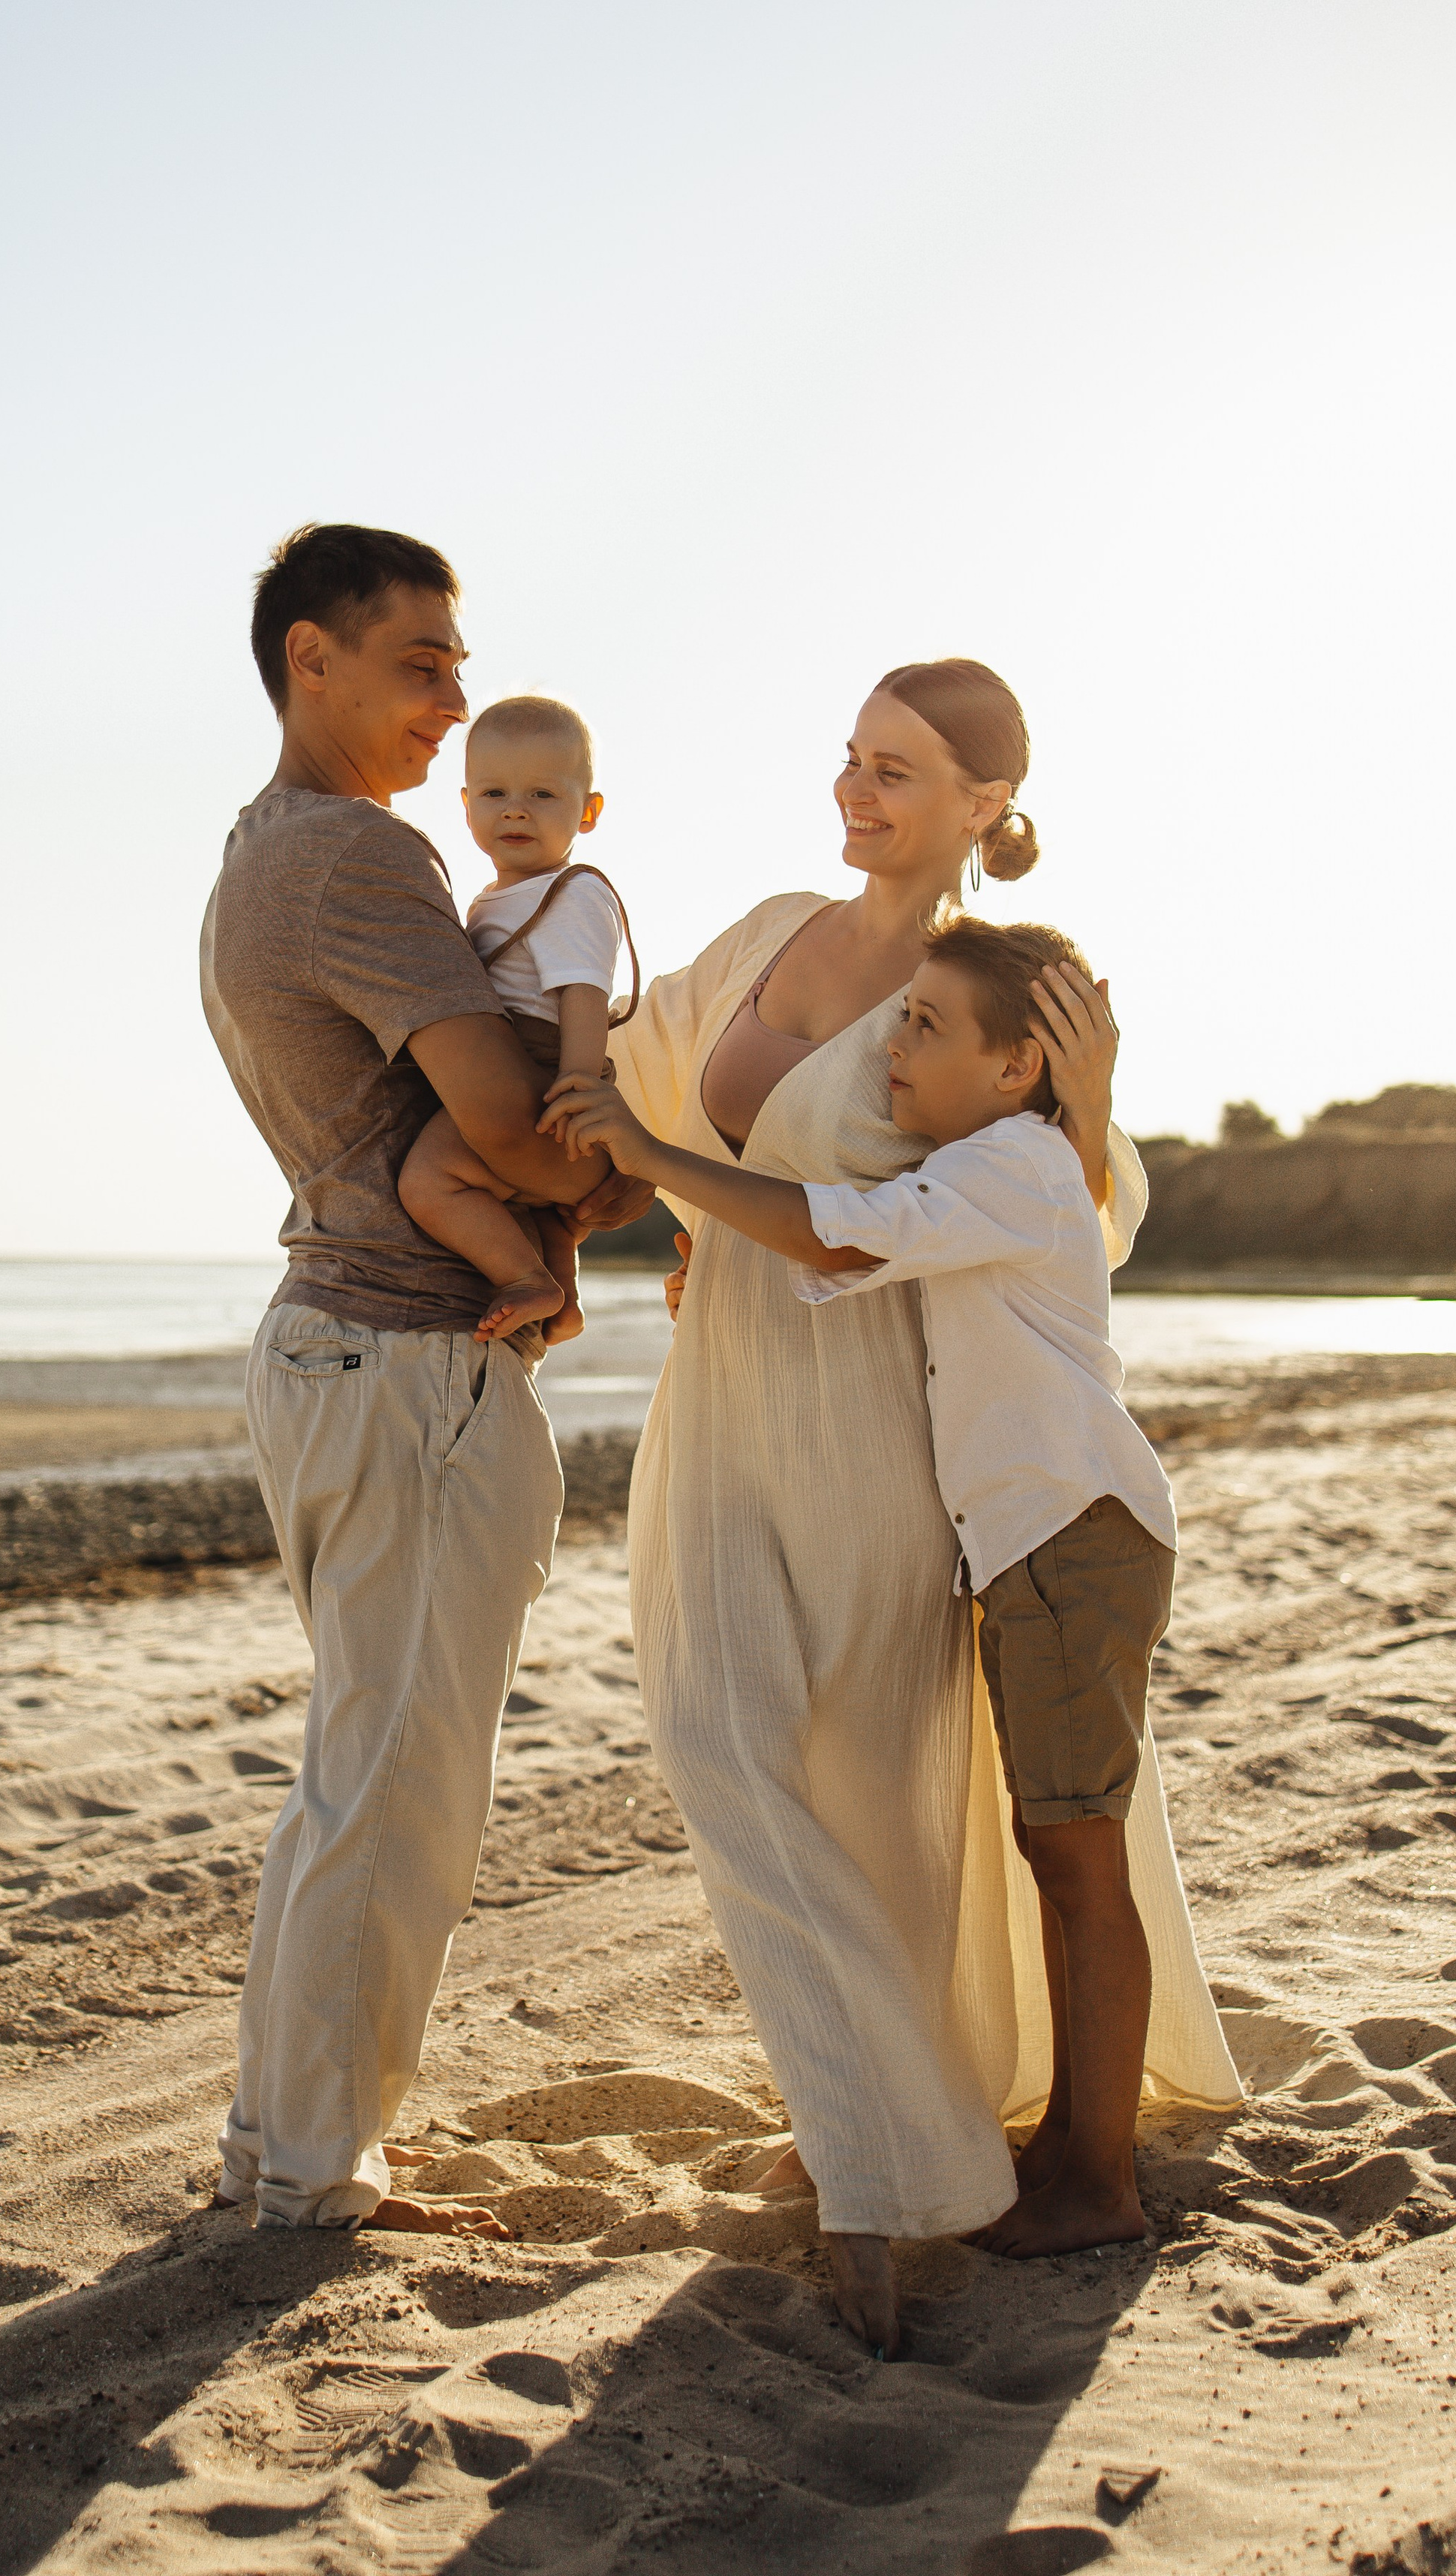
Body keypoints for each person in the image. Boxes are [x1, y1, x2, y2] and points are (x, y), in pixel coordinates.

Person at [575, 658, 1239, 2357]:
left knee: (868, 1786)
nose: (854, 789)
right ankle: (893, 2133)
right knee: (718, 1741)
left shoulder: (999, 988)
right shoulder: (775, 926)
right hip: (719, 1396)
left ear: (983, 806)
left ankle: (881, 2151)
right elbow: (622, 1088)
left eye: (895, 767)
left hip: (881, 1424)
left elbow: (1086, 1212)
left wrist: (1086, 1110)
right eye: (849, 757)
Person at [198, 523, 648, 2231]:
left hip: (332, 1341)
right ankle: (317, 2167)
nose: (454, 702)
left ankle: (285, 2135)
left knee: (354, 1767)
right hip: (400, 1361)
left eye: (465, 667)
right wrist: (650, 1166)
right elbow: (517, 1139)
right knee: (398, 1781)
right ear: (311, 659)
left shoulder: (259, 851)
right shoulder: (361, 861)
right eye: (419, 664)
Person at [398, 695, 638, 1344]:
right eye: (495, 792)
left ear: (587, 812)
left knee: (429, 1180)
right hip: (511, 1069)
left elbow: (583, 995)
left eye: (542, 794)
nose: (515, 809)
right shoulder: (496, 898)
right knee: (552, 1220)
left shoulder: (572, 892)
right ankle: (561, 1305)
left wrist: (579, 1088)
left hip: (539, 1072)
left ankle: (526, 1280)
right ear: (467, 803)